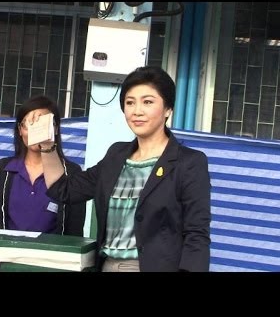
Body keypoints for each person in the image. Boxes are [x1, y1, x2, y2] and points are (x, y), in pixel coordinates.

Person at [36, 66, 211, 272]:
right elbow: (64, 189)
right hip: (107, 265)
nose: (137, 111)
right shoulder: (116, 156)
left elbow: (196, 234)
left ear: (168, 109)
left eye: (148, 102)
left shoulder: (189, 162)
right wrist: (47, 147)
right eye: (130, 102)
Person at [0, 95, 86, 236]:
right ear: (20, 130)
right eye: (30, 124)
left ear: (55, 129)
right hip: (8, 255)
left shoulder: (71, 173)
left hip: (52, 256)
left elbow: (75, 233)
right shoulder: (2, 170)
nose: (37, 131)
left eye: (43, 124)